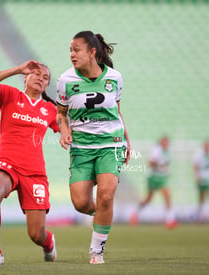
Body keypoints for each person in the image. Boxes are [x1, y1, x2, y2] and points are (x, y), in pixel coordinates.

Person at [56, 31, 130, 264]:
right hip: (81, 147)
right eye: (70, 50)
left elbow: (116, 112)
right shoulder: (65, 81)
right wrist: (65, 130)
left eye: (76, 50)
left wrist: (128, 141)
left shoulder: (115, 78)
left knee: (106, 196)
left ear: (92, 52)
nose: (71, 54)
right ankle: (101, 215)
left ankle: (96, 251)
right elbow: (60, 113)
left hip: (110, 144)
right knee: (80, 203)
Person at [0, 60, 59, 265]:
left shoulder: (50, 109)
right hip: (6, 163)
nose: (41, 79)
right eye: (36, 74)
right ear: (26, 77)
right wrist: (16, 68)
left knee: (36, 235)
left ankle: (49, 242)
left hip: (34, 173)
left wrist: (66, 133)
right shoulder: (10, 96)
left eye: (45, 78)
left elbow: (65, 126)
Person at [129, 136, 177, 229]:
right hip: (154, 176)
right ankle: (170, 219)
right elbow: (150, 163)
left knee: (149, 199)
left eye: (167, 142)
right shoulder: (157, 150)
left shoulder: (166, 152)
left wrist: (166, 171)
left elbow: (165, 165)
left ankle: (135, 213)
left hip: (160, 176)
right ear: (161, 142)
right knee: (166, 194)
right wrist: (161, 166)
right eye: (165, 142)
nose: (166, 144)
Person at [193, 139, 209, 223]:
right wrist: (197, 177)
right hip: (202, 177)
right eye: (205, 145)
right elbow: (195, 166)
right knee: (201, 197)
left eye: (208, 145)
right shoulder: (199, 154)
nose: (207, 147)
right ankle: (201, 215)